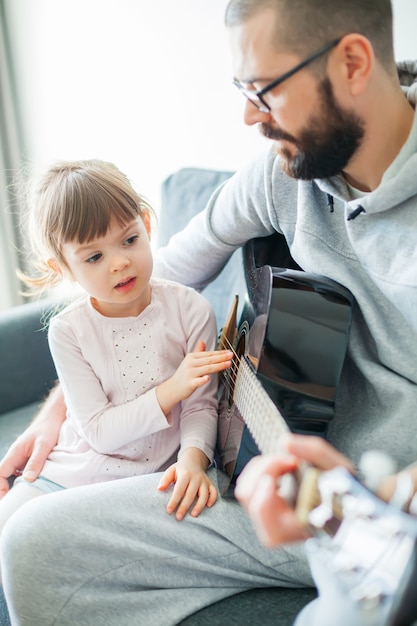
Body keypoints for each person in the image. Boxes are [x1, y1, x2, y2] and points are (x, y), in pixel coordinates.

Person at [1, 0, 417, 624]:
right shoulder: (285, 175)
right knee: (31, 543)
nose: (249, 117)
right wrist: (66, 404)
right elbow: (151, 278)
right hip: (259, 470)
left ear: (353, 63)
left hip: (371, 511)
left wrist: (373, 500)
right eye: (241, 89)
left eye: (264, 91)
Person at [0, 158, 234, 537]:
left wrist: (192, 460)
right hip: (72, 473)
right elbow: (98, 432)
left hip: (147, 484)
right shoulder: (67, 331)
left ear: (146, 224)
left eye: (129, 239)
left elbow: (201, 405)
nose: (120, 262)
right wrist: (173, 388)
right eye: (94, 257)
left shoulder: (191, 309)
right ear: (62, 268)